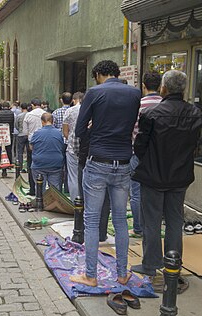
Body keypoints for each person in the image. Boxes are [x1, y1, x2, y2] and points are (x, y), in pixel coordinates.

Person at [71, 60, 141, 287]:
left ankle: (91, 275)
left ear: (99, 74)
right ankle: (122, 273)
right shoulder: (134, 93)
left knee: (92, 220)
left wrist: (95, 127)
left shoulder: (94, 93)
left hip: (98, 160)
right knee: (120, 219)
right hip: (123, 161)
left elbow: (80, 129)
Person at [130, 70, 202, 277]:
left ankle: (151, 264)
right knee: (174, 220)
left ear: (164, 88)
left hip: (154, 174)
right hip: (180, 175)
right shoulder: (195, 113)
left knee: (151, 221)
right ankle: (173, 263)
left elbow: (140, 146)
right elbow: (194, 144)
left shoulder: (151, 114)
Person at [130, 72, 163, 238]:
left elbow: (131, 127)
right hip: (161, 154)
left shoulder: (138, 104)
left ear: (143, 86)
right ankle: (153, 227)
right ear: (160, 86)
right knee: (157, 191)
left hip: (138, 153)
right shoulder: (166, 104)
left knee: (136, 192)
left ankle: (138, 227)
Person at [29, 112, 64, 192]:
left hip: (39, 164)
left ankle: (41, 202)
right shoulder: (59, 133)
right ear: (53, 121)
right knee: (55, 189)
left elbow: (31, 147)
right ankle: (54, 203)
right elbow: (61, 146)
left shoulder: (37, 133)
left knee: (40, 188)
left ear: (42, 121)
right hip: (56, 164)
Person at [62, 92, 83, 202]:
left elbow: (65, 131)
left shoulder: (69, 111)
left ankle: (75, 203)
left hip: (72, 148)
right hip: (86, 149)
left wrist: (70, 138)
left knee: (73, 177)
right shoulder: (89, 109)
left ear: (74, 100)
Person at [23, 99, 47, 195]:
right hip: (45, 142)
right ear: (40, 105)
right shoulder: (46, 114)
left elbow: (25, 132)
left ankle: (33, 189)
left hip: (32, 143)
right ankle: (45, 188)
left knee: (31, 166)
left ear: (32, 105)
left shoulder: (28, 115)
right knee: (44, 165)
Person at [0, 101, 15, 169]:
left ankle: (2, 162)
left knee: (2, 149)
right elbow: (13, 122)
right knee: (9, 149)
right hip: (9, 133)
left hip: (1, 133)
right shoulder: (12, 113)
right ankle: (10, 162)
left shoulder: (0, 113)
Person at [15, 103, 29, 169]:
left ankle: (19, 166)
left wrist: (20, 130)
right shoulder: (30, 115)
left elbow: (16, 125)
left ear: (21, 108)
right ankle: (28, 166)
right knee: (29, 151)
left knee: (20, 151)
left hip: (21, 134)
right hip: (28, 134)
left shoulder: (19, 115)